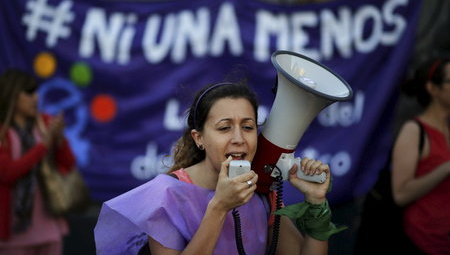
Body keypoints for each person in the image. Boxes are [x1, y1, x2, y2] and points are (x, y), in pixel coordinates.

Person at [94, 81, 344, 255]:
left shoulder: (261, 193)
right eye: (224, 128)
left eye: (247, 127)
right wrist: (220, 207)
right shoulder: (166, 195)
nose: (238, 138)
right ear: (198, 138)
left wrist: (316, 205)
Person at [0, 69, 76, 255]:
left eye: (36, 92)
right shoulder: (3, 132)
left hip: (49, 227)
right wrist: (43, 146)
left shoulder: (44, 122)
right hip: (13, 232)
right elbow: (7, 174)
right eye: (29, 92)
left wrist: (59, 140)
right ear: (12, 94)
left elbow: (67, 165)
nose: (36, 98)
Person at [391, 57, 450, 255]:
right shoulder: (414, 130)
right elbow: (400, 195)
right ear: (433, 88)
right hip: (422, 240)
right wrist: (445, 168)